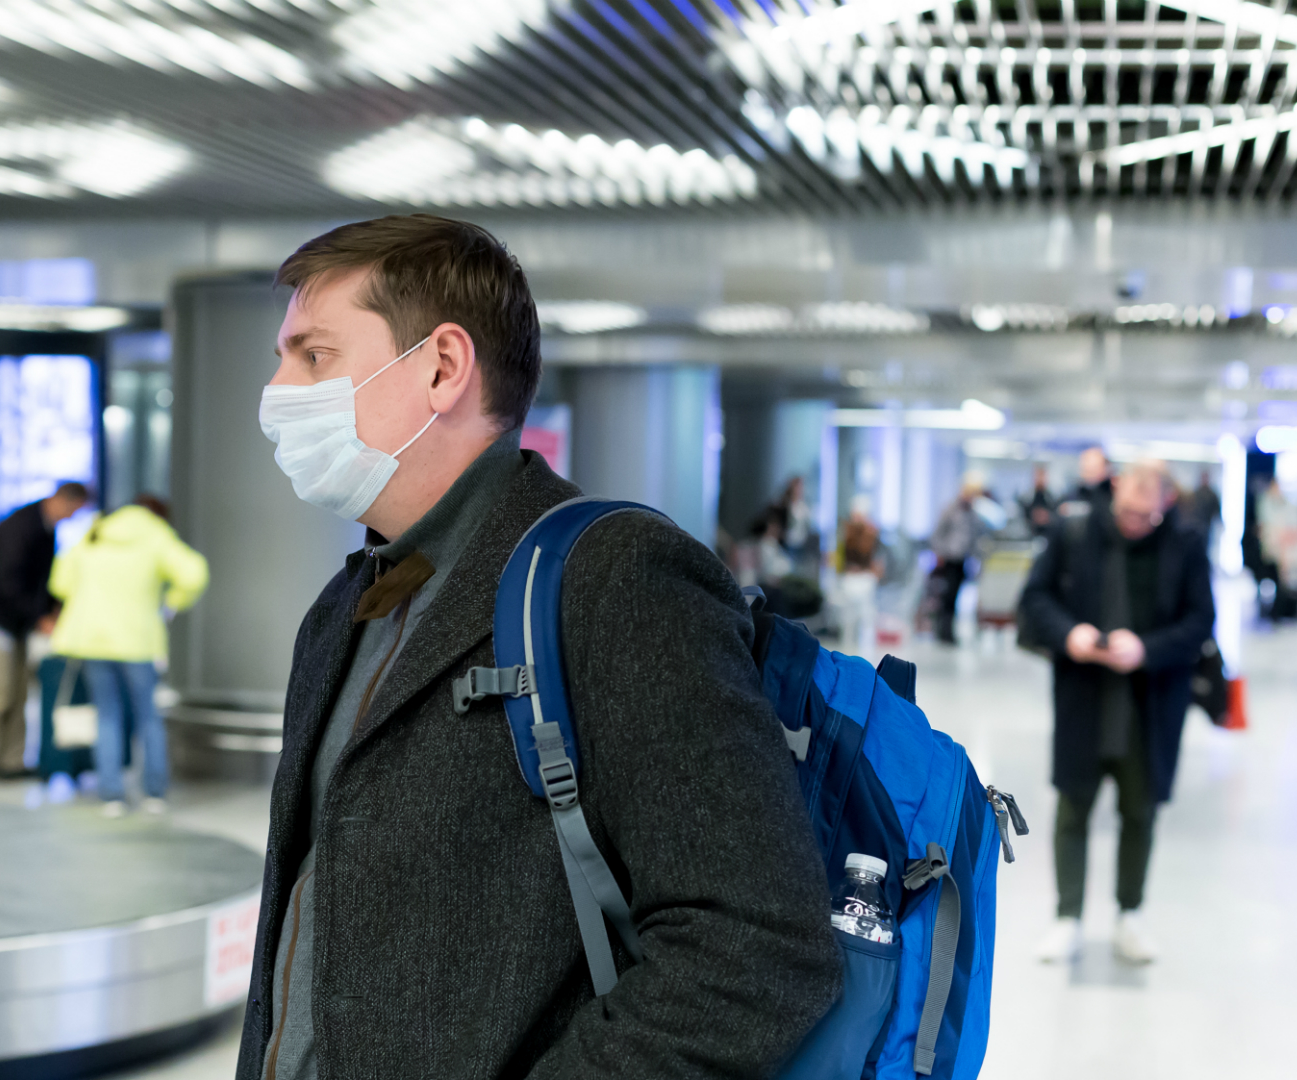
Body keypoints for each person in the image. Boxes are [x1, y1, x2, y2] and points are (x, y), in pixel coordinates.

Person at [242, 215, 840, 1079]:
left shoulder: (614, 581)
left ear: (442, 368)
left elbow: (754, 946)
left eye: (312, 355)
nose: (277, 389)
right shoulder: (347, 608)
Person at [1019, 460, 1213, 966]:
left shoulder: (1185, 545)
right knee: (1072, 806)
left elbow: (1199, 622)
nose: (1133, 522)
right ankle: (1068, 917)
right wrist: (1071, 635)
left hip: (1148, 704)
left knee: (1140, 810)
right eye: (1128, 510)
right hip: (1084, 693)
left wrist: (1146, 649)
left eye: (1145, 517)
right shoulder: (1074, 530)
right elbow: (1034, 599)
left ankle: (1130, 914)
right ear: (1116, 487)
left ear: (1165, 505)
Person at [48, 494, 208, 816]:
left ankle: (112, 795)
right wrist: (171, 603)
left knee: (107, 715)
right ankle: (153, 793)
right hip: (139, 642)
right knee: (148, 715)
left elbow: (60, 583)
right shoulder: (156, 534)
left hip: (93, 640)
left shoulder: (94, 533)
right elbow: (194, 574)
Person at [0, 481, 89, 781]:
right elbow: (6, 583)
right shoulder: (20, 526)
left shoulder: (46, 528)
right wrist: (40, 618)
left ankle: (12, 760)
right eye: (74, 510)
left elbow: (43, 579)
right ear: (62, 500)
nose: (73, 517)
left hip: (17, 623)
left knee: (19, 694)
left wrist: (52, 610)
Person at [927, 477, 987, 644]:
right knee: (945, 597)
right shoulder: (950, 510)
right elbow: (938, 533)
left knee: (955, 598)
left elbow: (974, 538)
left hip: (962, 560)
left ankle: (949, 631)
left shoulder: (973, 514)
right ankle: (943, 632)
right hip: (948, 559)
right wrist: (938, 553)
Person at [834, 495, 884, 654]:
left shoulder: (872, 533)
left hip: (865, 578)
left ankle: (866, 649)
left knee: (866, 615)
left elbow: (875, 561)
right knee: (848, 618)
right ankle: (847, 647)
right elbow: (840, 560)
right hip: (850, 578)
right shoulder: (845, 532)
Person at [775, 475, 823, 576]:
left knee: (801, 571)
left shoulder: (804, 506)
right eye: (798, 486)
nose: (801, 489)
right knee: (789, 570)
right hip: (788, 544)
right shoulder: (785, 505)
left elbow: (809, 525)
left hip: (802, 544)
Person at [1022, 463, 1057, 531]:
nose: (1040, 479)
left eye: (1042, 475)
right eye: (1038, 475)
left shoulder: (1053, 499)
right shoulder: (1026, 499)